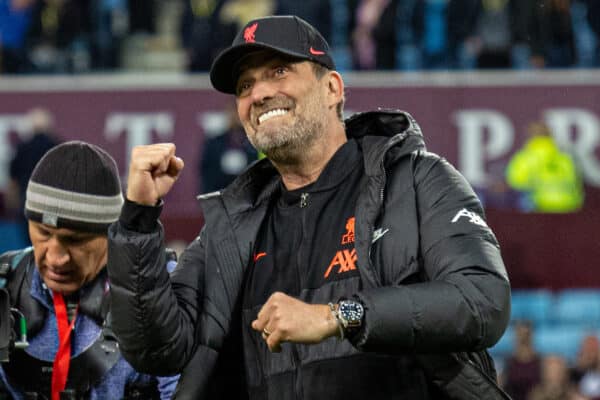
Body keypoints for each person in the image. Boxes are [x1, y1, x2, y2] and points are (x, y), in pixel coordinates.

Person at [107, 15, 511, 399]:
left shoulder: (418, 180)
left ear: (333, 88)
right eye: (245, 86)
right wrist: (139, 219)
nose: (259, 94)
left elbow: (482, 301)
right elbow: (156, 349)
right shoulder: (230, 228)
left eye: (279, 72)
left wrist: (337, 316)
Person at [0, 141, 179, 399]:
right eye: (43, 233)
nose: (56, 257)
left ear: (110, 234)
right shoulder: (5, 283)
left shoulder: (159, 284)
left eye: (75, 240)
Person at [7, 107, 60, 246]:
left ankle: (32, 265)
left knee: (30, 243)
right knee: (49, 240)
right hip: (50, 206)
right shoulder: (57, 147)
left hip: (27, 204)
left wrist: (14, 204)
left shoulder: (22, 148)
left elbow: (13, 181)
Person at [506, 121, 584, 213]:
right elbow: (577, 182)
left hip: (539, 207)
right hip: (569, 206)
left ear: (530, 136)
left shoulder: (524, 157)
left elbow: (514, 183)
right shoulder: (566, 157)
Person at [502, 320, 542, 400]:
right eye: (520, 335)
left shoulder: (540, 362)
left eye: (526, 335)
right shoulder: (509, 362)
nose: (523, 338)